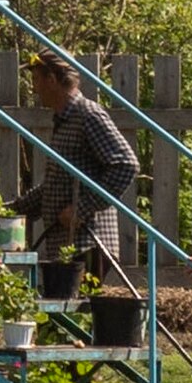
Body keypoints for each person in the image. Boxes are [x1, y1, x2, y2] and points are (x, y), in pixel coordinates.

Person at [11, 51, 146, 302]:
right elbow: (54, 186)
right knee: (58, 315)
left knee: (65, 315)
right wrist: (10, 211)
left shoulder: (87, 115)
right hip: (66, 245)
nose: (34, 88)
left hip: (88, 242)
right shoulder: (64, 120)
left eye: (36, 80)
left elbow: (126, 165)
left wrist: (81, 208)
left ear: (52, 79)